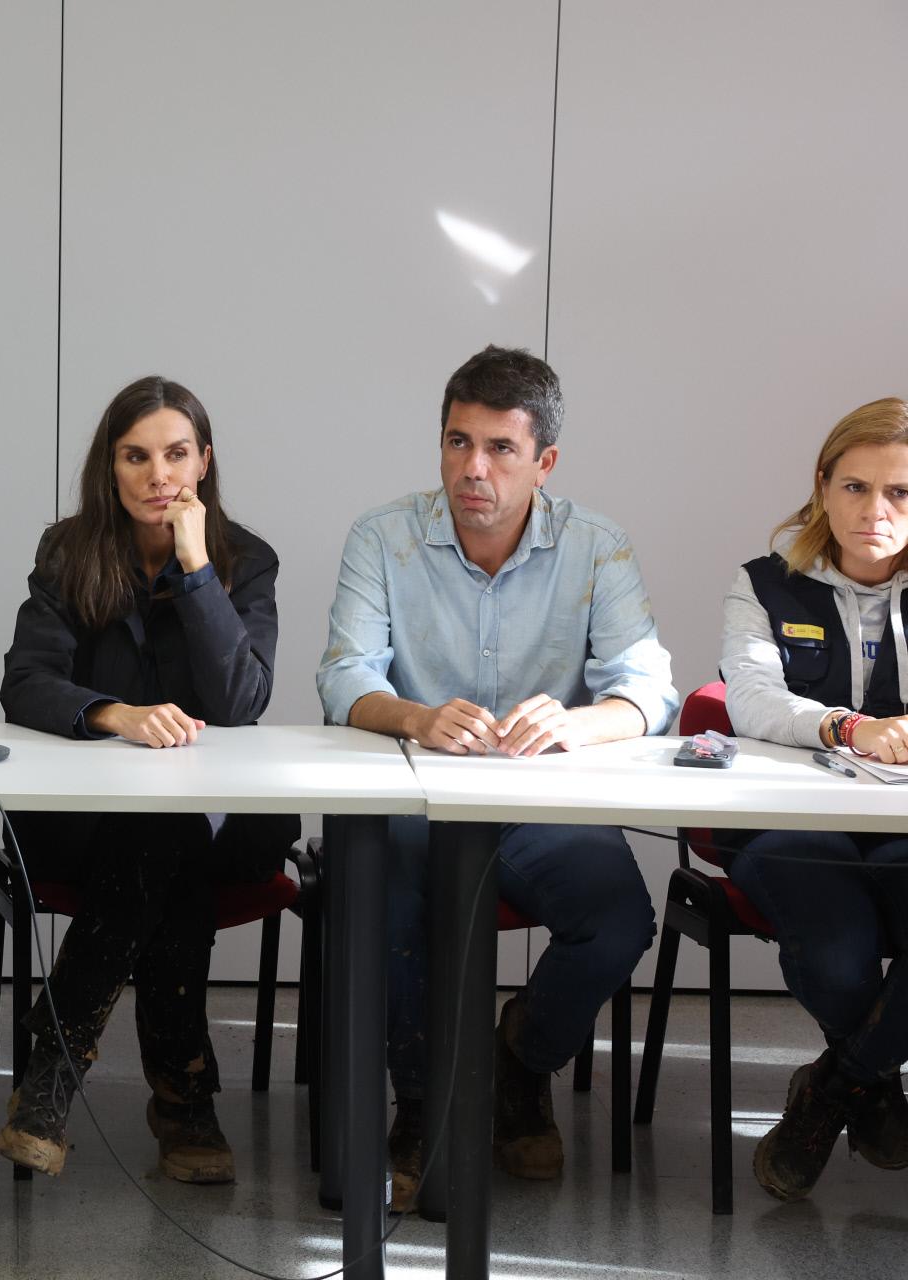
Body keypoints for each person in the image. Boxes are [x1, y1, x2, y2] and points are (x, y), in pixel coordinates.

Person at [316, 344, 676, 1210]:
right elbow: (343, 676)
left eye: (500, 449)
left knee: (617, 920)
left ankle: (519, 1061)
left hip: (538, 800)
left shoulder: (596, 548)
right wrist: (414, 716)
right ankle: (421, 1105)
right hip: (414, 795)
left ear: (544, 463)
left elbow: (649, 690)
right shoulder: (383, 536)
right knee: (392, 896)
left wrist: (577, 722)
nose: (472, 469)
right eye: (458, 442)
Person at [0, 376, 298, 1183]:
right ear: (111, 466)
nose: (158, 475)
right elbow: (24, 682)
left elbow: (240, 702)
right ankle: (183, 1096)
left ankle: (52, 1068)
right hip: (87, 821)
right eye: (136, 457)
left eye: (175, 454)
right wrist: (114, 714)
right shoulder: (69, 553)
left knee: (168, 837)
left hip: (225, 821)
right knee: (162, 847)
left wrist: (196, 569)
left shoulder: (246, 561)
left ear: (204, 462)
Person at [718, 395, 908, 1202]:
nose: (876, 511)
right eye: (856, 487)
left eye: (900, 492)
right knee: (836, 951)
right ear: (823, 486)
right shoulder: (765, 583)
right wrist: (847, 727)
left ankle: (835, 1088)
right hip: (788, 826)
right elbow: (751, 700)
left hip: (900, 827)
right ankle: (871, 1083)